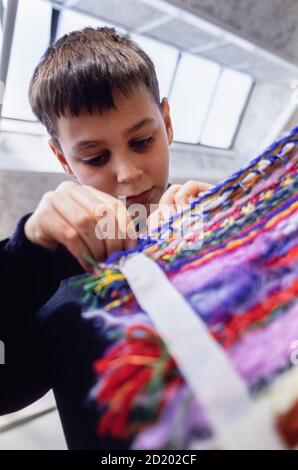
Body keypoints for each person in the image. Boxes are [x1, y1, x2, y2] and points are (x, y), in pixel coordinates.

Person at [0, 27, 212, 447]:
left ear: (166, 123)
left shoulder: (211, 222)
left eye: (142, 140)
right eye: (96, 157)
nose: (128, 174)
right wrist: (26, 255)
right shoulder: (51, 287)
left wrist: (242, 243)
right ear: (62, 158)